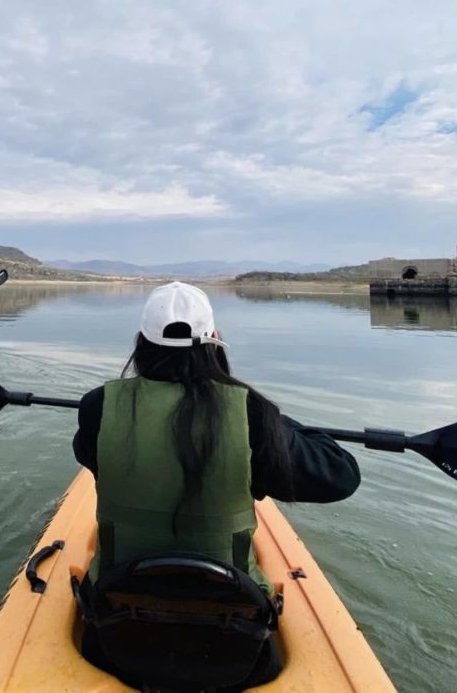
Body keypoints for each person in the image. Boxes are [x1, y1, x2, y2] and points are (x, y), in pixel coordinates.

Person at [71, 281, 360, 687]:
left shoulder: (97, 406)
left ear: (142, 343)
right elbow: (340, 476)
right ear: (215, 342)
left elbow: (87, 455)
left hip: (119, 615)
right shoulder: (252, 415)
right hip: (230, 626)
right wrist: (271, 422)